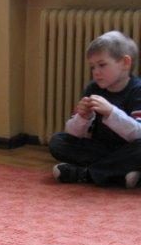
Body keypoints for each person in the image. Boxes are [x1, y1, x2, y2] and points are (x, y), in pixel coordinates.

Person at [49, 31, 141, 188]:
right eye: (93, 67)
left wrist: (111, 112)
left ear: (125, 63)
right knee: (58, 142)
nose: (96, 72)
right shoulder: (93, 88)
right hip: (101, 148)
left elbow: (138, 133)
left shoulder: (137, 90)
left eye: (102, 65)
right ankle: (119, 172)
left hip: (129, 148)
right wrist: (83, 117)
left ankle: (85, 174)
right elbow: (72, 133)